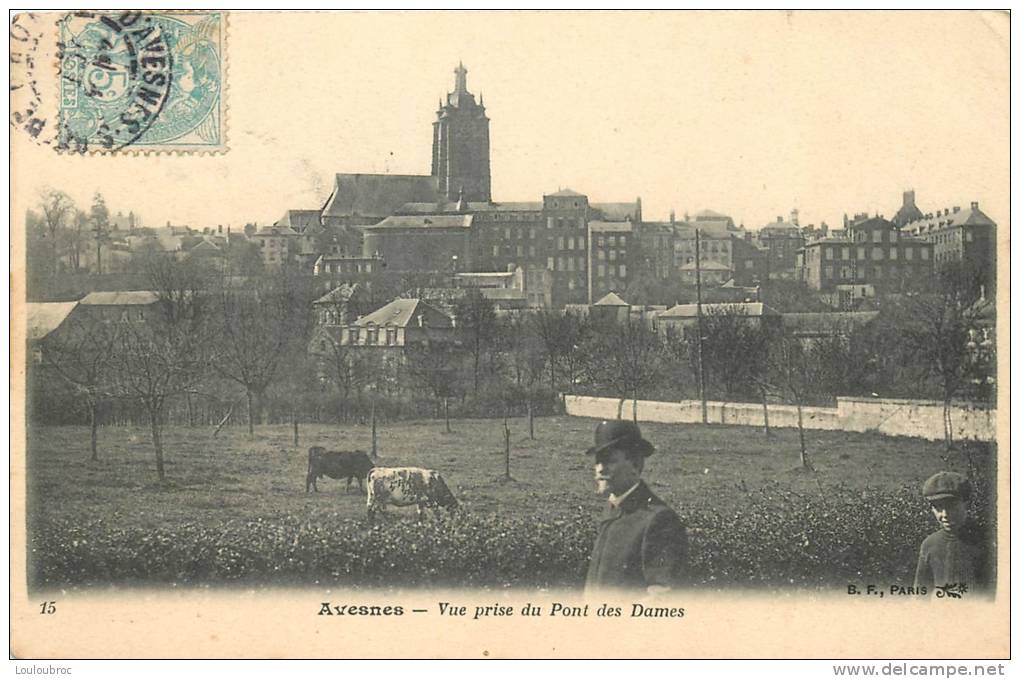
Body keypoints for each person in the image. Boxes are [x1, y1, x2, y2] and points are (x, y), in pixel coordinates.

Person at [584, 419, 687, 593]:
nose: (600, 469)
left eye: (610, 461)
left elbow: (661, 596)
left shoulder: (658, 519)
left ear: (636, 464)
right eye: (598, 461)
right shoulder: (612, 510)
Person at [913, 471, 990, 594]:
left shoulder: (987, 541)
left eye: (951, 506)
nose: (945, 514)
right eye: (938, 507)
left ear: (967, 504)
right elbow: (920, 596)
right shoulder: (929, 545)